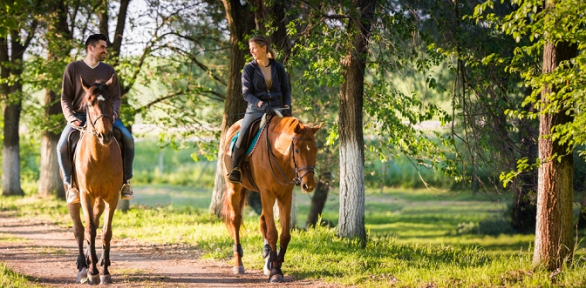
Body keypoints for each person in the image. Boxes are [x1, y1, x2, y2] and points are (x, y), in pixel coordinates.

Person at [57, 33, 135, 204]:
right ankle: (71, 186)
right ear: (90, 48)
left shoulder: (109, 70)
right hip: (79, 116)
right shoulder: (73, 68)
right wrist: (70, 118)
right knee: (61, 146)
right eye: (102, 47)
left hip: (106, 116)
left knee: (128, 139)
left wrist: (113, 113)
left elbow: (116, 98)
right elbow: (65, 98)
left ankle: (126, 183)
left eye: (106, 47)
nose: (105, 50)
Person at [228, 36, 291, 183]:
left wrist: (287, 105)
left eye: (254, 48)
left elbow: (286, 90)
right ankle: (236, 168)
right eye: (250, 49)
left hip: (277, 108)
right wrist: (261, 105)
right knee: (243, 134)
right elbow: (246, 94)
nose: (252, 51)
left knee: (295, 133)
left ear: (264, 48)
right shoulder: (249, 69)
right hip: (256, 109)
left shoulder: (278, 68)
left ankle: (295, 170)